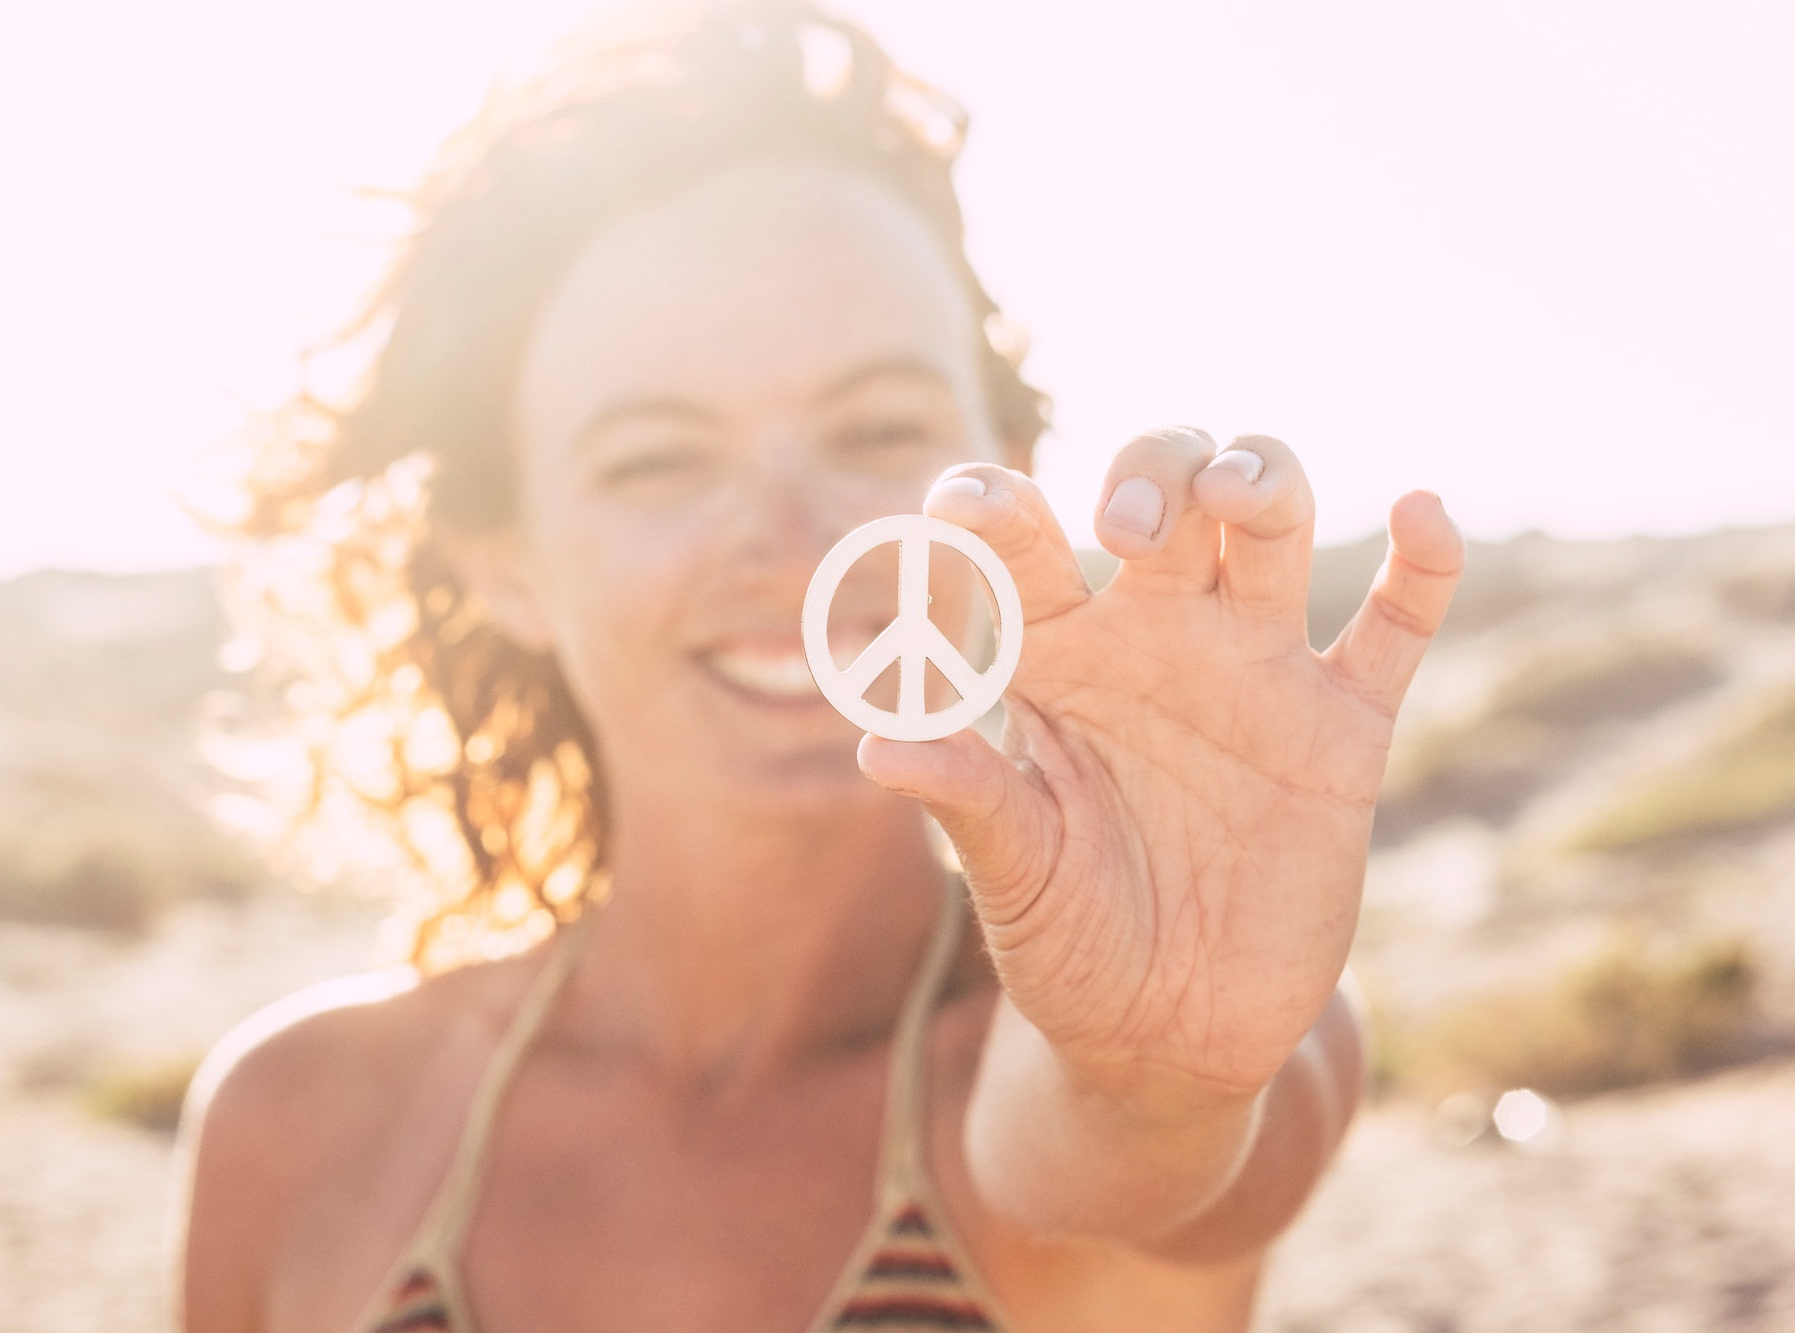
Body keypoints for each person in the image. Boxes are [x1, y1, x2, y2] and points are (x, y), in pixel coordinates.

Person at [172, 4, 1465, 1330]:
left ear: (1005, 477)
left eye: (879, 424)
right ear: (502, 558)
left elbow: (1135, 1125)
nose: (795, 544)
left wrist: (1162, 1078)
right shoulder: (301, 1125)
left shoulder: (1115, 1035)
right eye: (657, 458)